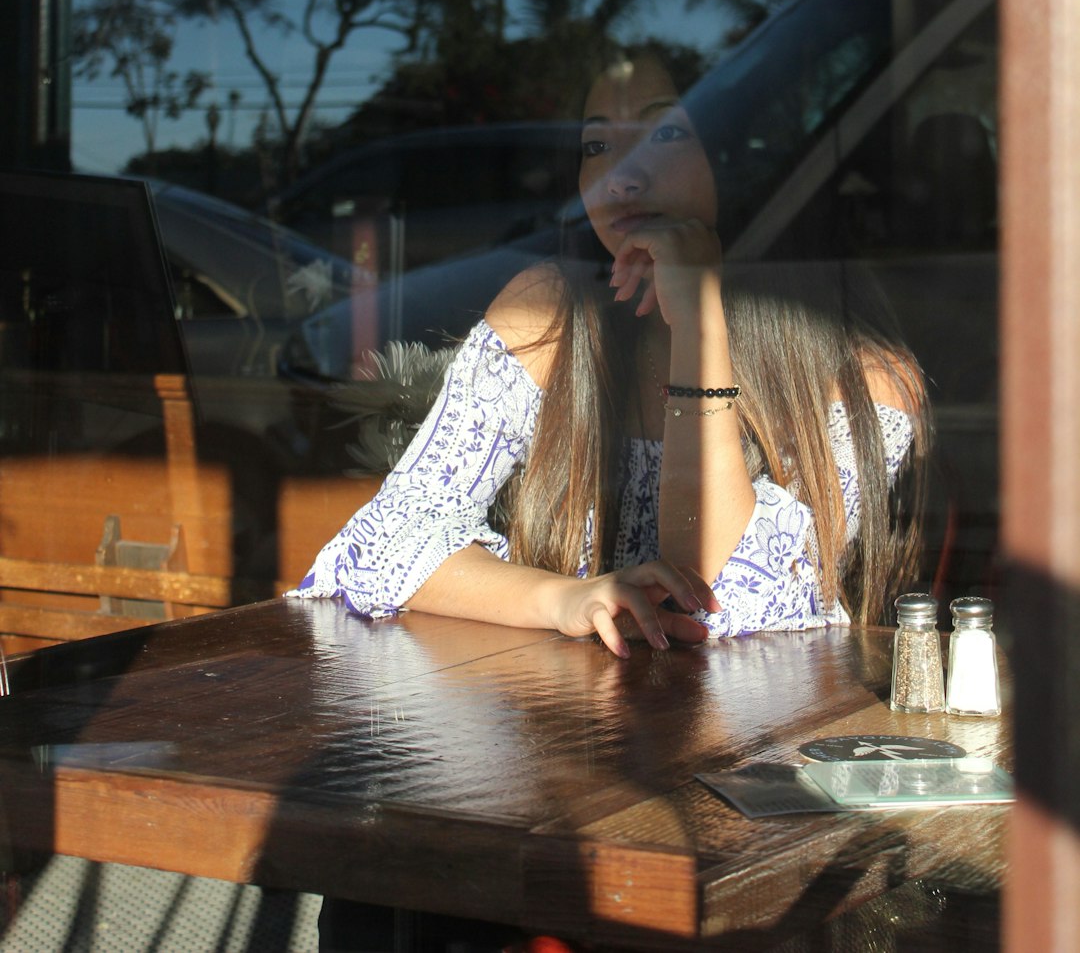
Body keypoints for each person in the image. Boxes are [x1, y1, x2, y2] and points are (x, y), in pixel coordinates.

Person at [294, 50, 928, 652]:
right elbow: (381, 544)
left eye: (667, 135)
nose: (620, 176)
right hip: (570, 737)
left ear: (751, 157)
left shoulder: (867, 379)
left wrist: (698, 327)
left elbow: (730, 600)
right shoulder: (547, 316)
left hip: (752, 753)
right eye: (596, 145)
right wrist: (563, 601)